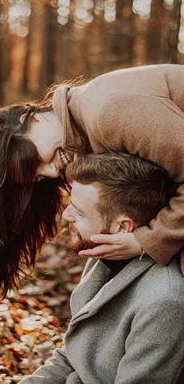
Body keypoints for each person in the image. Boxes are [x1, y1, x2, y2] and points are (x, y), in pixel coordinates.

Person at [0, 64, 184, 298]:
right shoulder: (83, 136)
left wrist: (147, 241)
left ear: (30, 118)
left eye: (36, 160)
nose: (49, 173)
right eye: (36, 176)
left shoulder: (108, 113)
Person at [18, 153, 184, 384]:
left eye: (79, 211)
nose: (66, 215)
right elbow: (72, 357)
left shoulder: (164, 301)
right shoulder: (104, 256)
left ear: (122, 226)